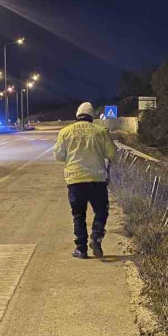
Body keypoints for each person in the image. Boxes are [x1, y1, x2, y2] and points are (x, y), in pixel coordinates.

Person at [54, 102, 117, 259]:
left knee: (78, 215)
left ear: (77, 115)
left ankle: (81, 249)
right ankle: (96, 237)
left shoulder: (65, 132)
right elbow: (111, 153)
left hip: (75, 180)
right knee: (101, 211)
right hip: (97, 178)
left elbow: (59, 156)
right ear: (92, 116)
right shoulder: (101, 131)